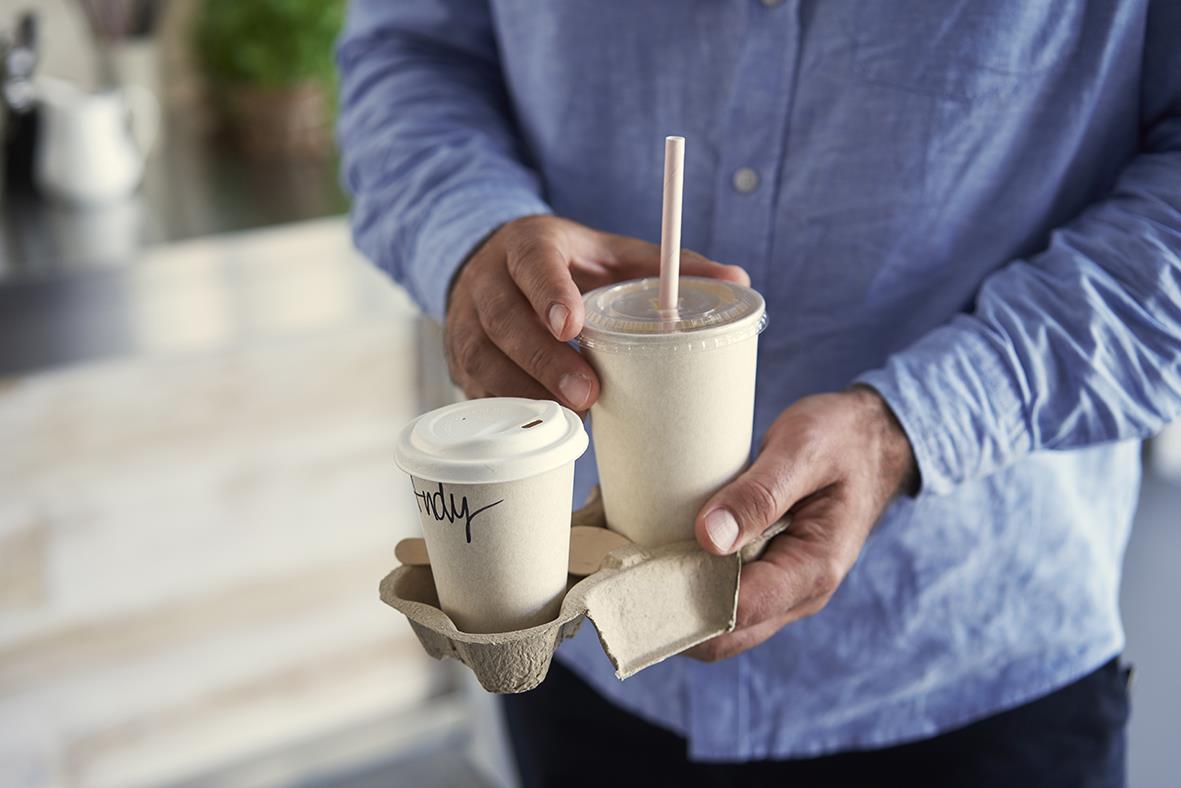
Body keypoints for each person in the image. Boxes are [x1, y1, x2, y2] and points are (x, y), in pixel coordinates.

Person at [337, 2, 1180, 786]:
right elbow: (411, 52)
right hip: (590, 649)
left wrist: (920, 422)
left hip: (970, 672)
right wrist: (475, 237)